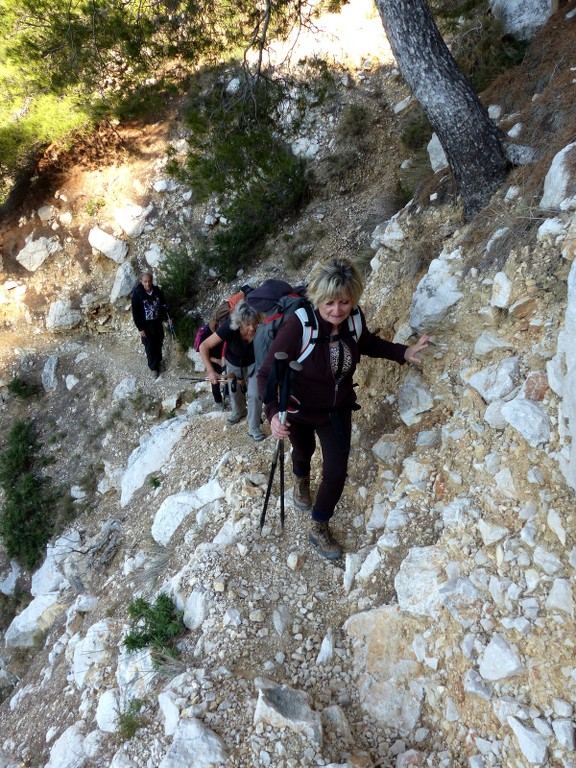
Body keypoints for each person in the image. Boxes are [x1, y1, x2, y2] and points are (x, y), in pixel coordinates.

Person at [257, 257, 429, 560]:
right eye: (330, 303)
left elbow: (367, 343)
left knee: (336, 472)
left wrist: (403, 352)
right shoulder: (299, 325)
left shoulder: (353, 320)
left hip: (337, 410)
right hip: (298, 409)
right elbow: (265, 373)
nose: (337, 311)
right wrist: (272, 414)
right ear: (318, 299)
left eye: (344, 302)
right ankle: (300, 480)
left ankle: (319, 526)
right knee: (303, 451)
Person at [200, 300, 266, 441]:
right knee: (235, 389)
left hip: (255, 362)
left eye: (254, 322)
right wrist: (211, 371)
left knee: (255, 393)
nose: (252, 328)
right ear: (239, 323)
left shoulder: (262, 327)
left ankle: (253, 426)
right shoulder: (229, 327)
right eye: (247, 324)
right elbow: (204, 346)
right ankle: (239, 411)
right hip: (233, 362)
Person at [131, 272, 170, 379]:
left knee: (158, 343)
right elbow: (136, 312)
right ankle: (153, 368)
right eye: (145, 281)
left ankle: (158, 362)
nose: (147, 284)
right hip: (146, 326)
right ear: (141, 282)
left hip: (157, 323)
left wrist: (168, 317)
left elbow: (164, 305)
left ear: (152, 281)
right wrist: (140, 328)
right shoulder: (138, 293)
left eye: (149, 281)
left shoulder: (157, 291)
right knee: (149, 346)